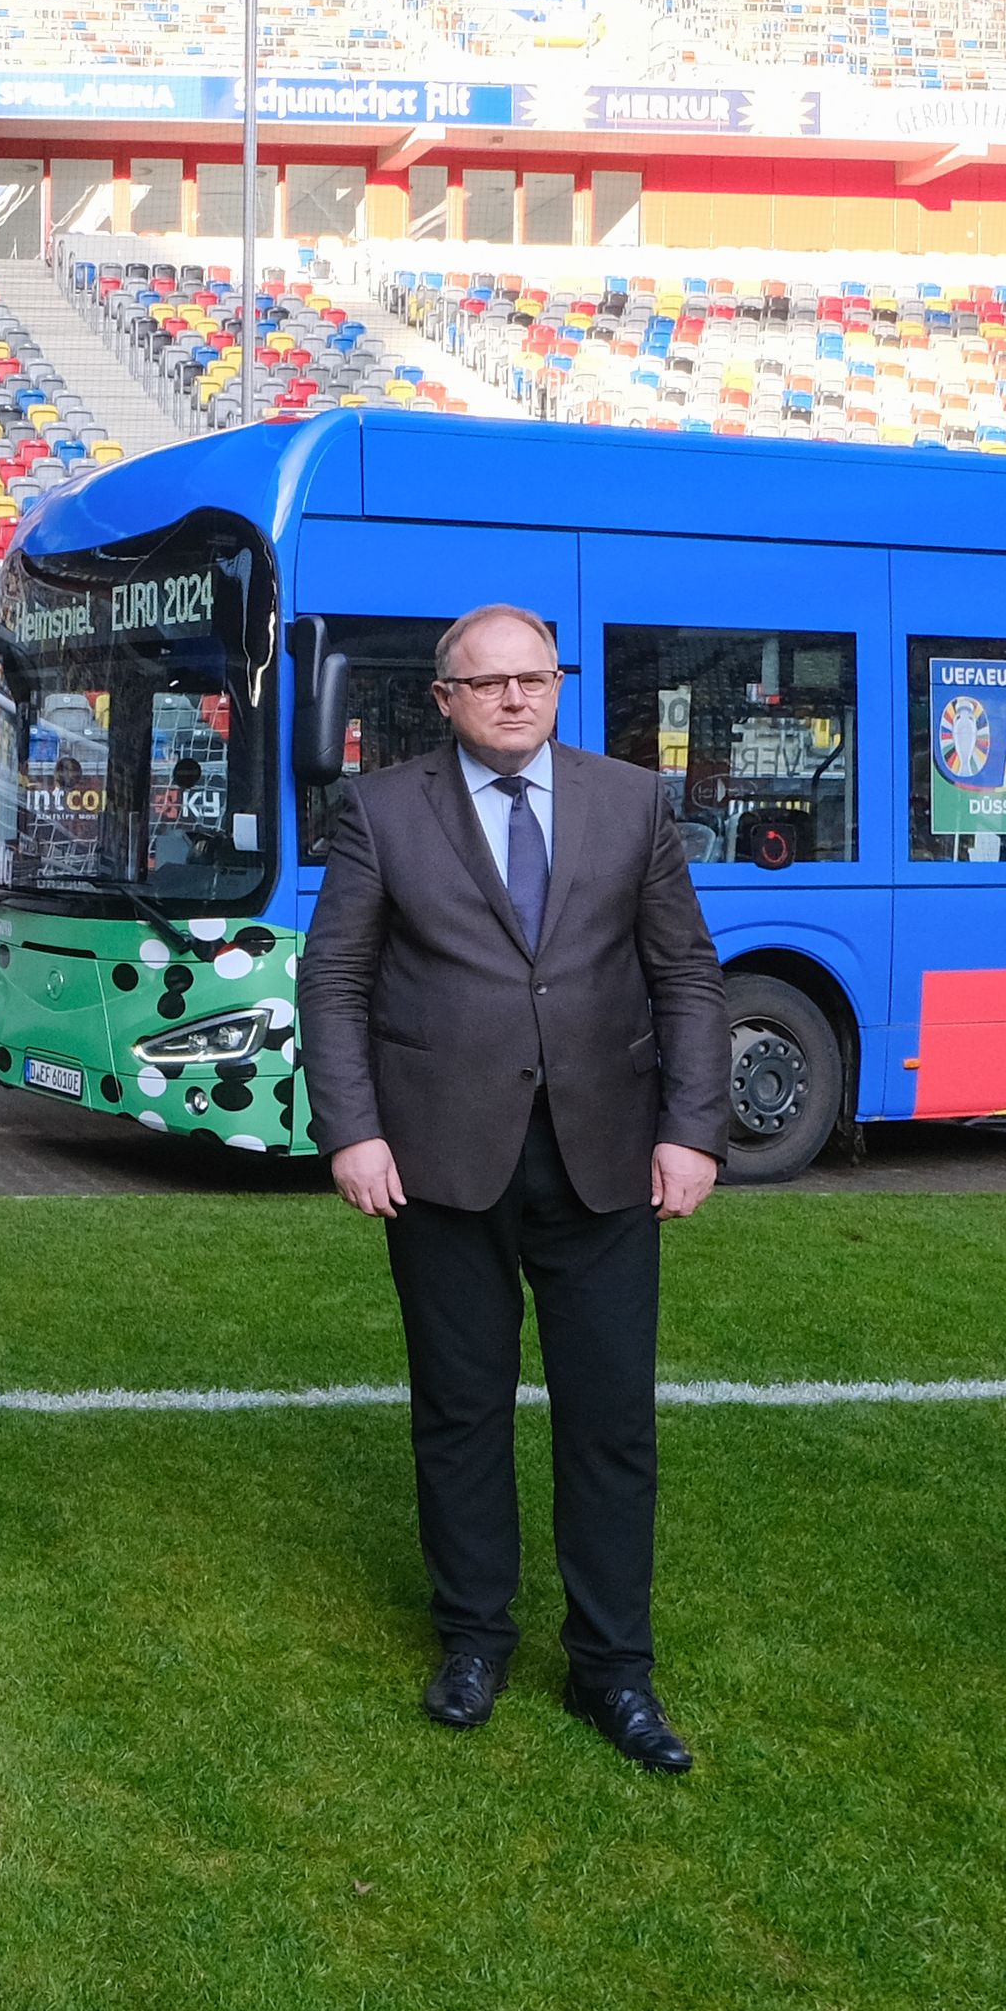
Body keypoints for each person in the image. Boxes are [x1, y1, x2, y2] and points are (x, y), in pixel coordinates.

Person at [291, 603, 731, 1775]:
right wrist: (353, 1132)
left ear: (556, 685)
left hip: (606, 1157)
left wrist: (695, 1130)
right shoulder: (382, 811)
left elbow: (687, 975)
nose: (514, 699)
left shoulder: (632, 801)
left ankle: (612, 1671)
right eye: (487, 683)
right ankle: (475, 1639)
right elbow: (332, 981)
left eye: (533, 678)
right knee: (460, 1409)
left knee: (611, 1422)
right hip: (437, 1160)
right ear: (445, 699)